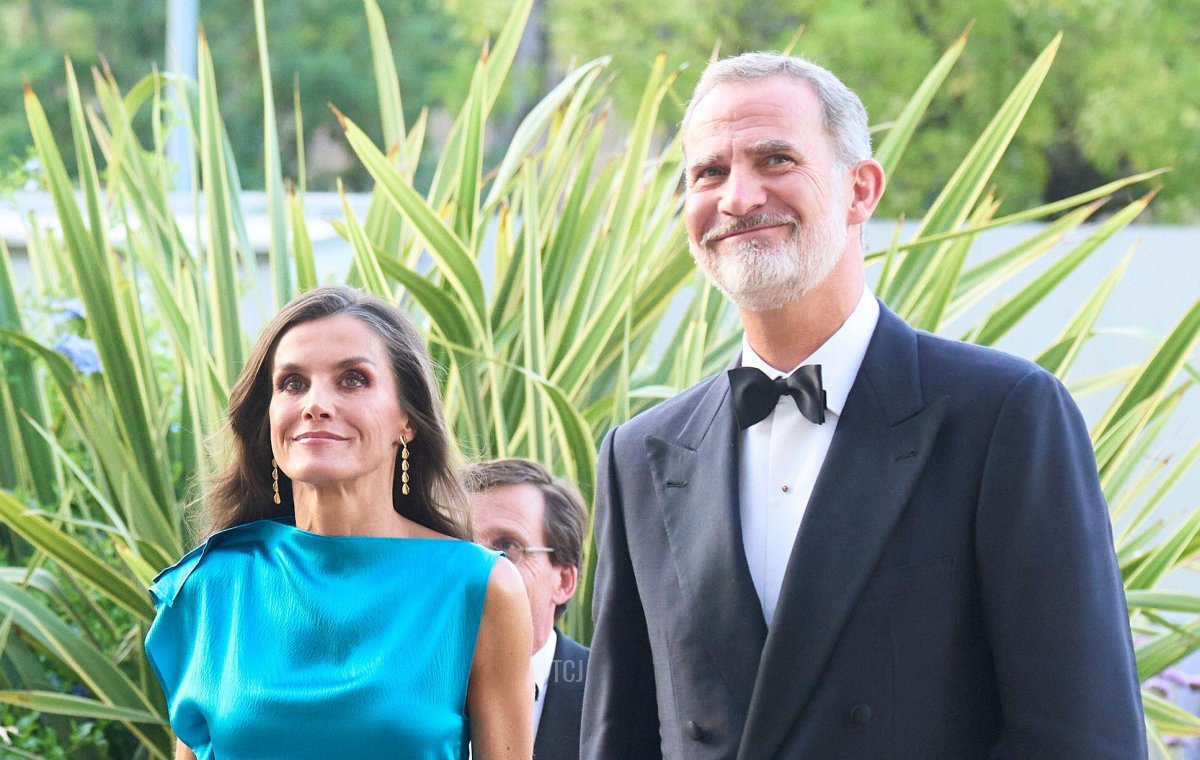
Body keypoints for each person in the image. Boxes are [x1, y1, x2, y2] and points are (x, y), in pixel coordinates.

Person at [581, 52, 1145, 759]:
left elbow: (1082, 738)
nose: (738, 198)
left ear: (860, 189)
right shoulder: (640, 453)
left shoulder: (1003, 416)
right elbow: (620, 737)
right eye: (709, 173)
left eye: (776, 159)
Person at [144, 286, 532, 759]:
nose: (315, 403)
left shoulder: (479, 587)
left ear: (406, 419)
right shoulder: (212, 583)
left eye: (352, 379)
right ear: (268, 417)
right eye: (292, 383)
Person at [465, 458, 590, 760]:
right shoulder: (403, 685)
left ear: (563, 581)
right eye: (462, 544)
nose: (479, 567)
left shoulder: (618, 698)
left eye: (507, 546)